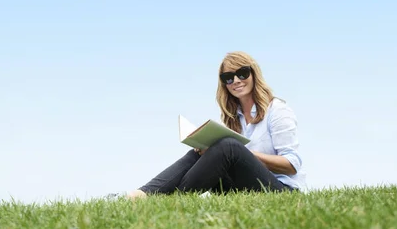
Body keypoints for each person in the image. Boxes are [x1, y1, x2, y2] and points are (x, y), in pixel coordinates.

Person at [126, 51, 306, 200]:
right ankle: (143, 194)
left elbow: (291, 164)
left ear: (254, 74)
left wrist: (245, 154)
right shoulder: (233, 118)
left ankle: (171, 199)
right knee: (200, 151)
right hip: (243, 188)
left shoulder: (277, 110)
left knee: (229, 146)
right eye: (228, 77)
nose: (235, 80)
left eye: (242, 73)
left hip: (282, 191)